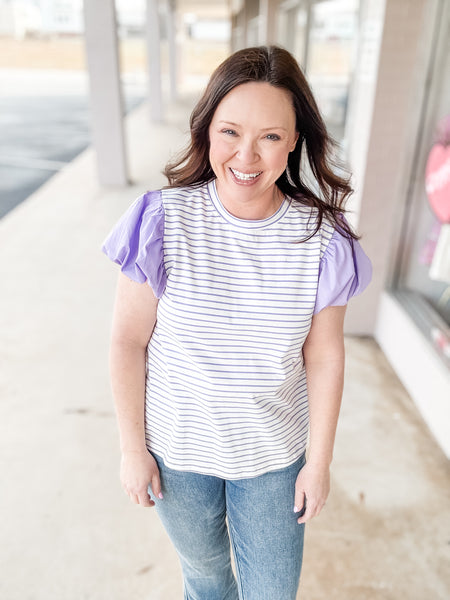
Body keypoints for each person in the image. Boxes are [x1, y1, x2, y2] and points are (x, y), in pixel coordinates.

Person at [102, 45, 372, 600]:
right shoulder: (162, 219)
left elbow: (324, 357)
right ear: (205, 132)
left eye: (270, 136)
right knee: (205, 579)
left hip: (273, 457)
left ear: (295, 139)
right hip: (177, 453)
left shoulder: (323, 240)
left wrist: (317, 463)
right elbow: (128, 341)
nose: (246, 154)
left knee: (272, 591)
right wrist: (133, 449)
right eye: (229, 131)